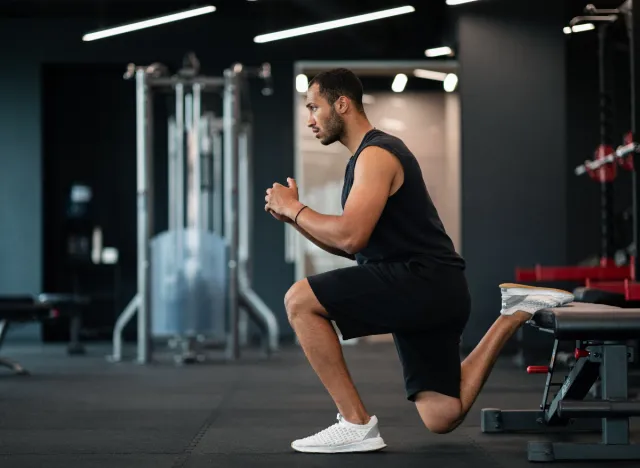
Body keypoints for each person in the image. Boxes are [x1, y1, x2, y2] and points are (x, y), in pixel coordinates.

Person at [264, 68, 574, 454]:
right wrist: (292, 218)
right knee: (442, 415)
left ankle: (355, 424)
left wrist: (295, 209)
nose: (310, 119)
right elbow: (350, 247)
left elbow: (349, 235)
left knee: (299, 299)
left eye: (314, 107)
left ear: (341, 104)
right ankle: (513, 314)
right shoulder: (365, 158)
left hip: (419, 281)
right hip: (432, 287)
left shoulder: (376, 154)